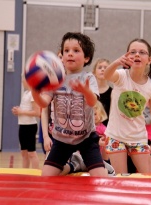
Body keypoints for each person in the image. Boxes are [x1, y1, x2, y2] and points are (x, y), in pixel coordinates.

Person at [31, 32, 107, 177]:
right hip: (61, 139)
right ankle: (73, 165)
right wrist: (36, 93)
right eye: (66, 51)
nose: (70, 54)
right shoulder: (55, 80)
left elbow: (92, 102)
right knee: (46, 176)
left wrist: (85, 91)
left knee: (101, 178)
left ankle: (84, 162)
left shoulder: (88, 78)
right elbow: (44, 102)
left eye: (76, 50)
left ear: (86, 58)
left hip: (86, 138)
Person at [104, 38, 151, 174]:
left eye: (142, 52)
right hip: (115, 136)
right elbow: (107, 75)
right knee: (121, 179)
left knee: (148, 177)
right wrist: (117, 62)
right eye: (133, 52)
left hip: (138, 137)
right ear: (127, 56)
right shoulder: (121, 76)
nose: (137, 55)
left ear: (149, 60)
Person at [11, 74, 40, 169]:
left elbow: (37, 112)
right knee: (24, 152)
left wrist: (21, 111)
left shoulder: (33, 93)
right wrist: (18, 110)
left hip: (30, 126)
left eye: (23, 79)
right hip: (22, 125)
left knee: (31, 152)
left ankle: (35, 174)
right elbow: (25, 109)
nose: (22, 81)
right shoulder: (26, 93)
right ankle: (25, 173)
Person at [92, 58, 112, 126]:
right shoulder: (89, 92)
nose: (103, 69)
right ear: (94, 72)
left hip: (107, 131)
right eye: (100, 67)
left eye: (106, 68)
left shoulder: (113, 93)